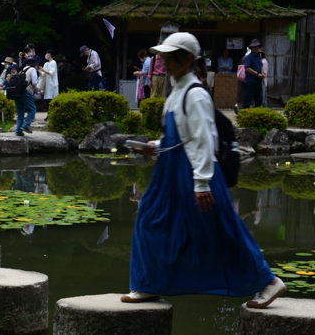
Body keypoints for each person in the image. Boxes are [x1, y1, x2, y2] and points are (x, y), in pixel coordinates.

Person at [122, 32, 286, 309]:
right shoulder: (177, 92)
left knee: (221, 230)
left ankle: (269, 282)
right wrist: (155, 145)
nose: (163, 62)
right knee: (150, 220)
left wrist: (201, 184)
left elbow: (204, 140)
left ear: (187, 59)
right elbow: (182, 136)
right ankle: (149, 284)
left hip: (193, 174)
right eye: (162, 57)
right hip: (170, 173)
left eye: (169, 57)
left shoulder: (195, 93)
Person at [241, 39, 265, 109]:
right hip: (250, 81)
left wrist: (262, 73)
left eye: (257, 47)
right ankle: (244, 114)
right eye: (254, 47)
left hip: (258, 81)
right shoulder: (248, 57)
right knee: (248, 98)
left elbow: (261, 66)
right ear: (251, 48)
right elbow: (247, 68)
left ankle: (257, 114)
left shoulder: (259, 56)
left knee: (259, 98)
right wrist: (257, 74)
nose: (256, 48)